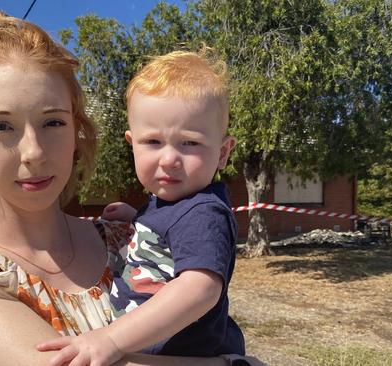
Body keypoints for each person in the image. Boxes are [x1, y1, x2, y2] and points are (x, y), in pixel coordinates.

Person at [0, 11, 258, 366]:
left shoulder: (123, 240)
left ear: (76, 132)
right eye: (1, 126)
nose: (33, 152)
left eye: (52, 122)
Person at [37, 50, 244, 366]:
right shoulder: (169, 206)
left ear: (222, 152)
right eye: (153, 142)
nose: (169, 158)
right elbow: (169, 247)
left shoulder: (203, 212)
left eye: (190, 143)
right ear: (131, 143)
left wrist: (111, 338)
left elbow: (200, 289)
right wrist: (139, 220)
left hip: (184, 356)